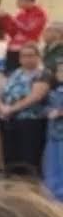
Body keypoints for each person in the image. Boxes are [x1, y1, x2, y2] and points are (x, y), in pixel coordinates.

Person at [0, 42, 51, 178]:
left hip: (30, 122)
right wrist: (1, 107)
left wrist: (11, 109)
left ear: (38, 57)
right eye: (24, 56)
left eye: (31, 55)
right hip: (8, 121)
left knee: (28, 161)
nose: (27, 59)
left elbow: (36, 96)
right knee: (10, 160)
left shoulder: (43, 74)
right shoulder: (14, 73)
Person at [6, 0, 48, 75]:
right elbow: (13, 33)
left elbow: (30, 30)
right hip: (12, 49)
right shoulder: (20, 14)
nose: (17, 2)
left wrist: (12, 20)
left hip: (26, 49)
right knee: (10, 75)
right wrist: (5, 20)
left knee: (25, 75)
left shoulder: (39, 13)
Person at [45, 62, 63, 202]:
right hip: (53, 134)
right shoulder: (54, 91)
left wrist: (59, 112)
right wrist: (49, 111)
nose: (60, 73)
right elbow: (44, 107)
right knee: (51, 165)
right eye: (59, 71)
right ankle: (52, 193)